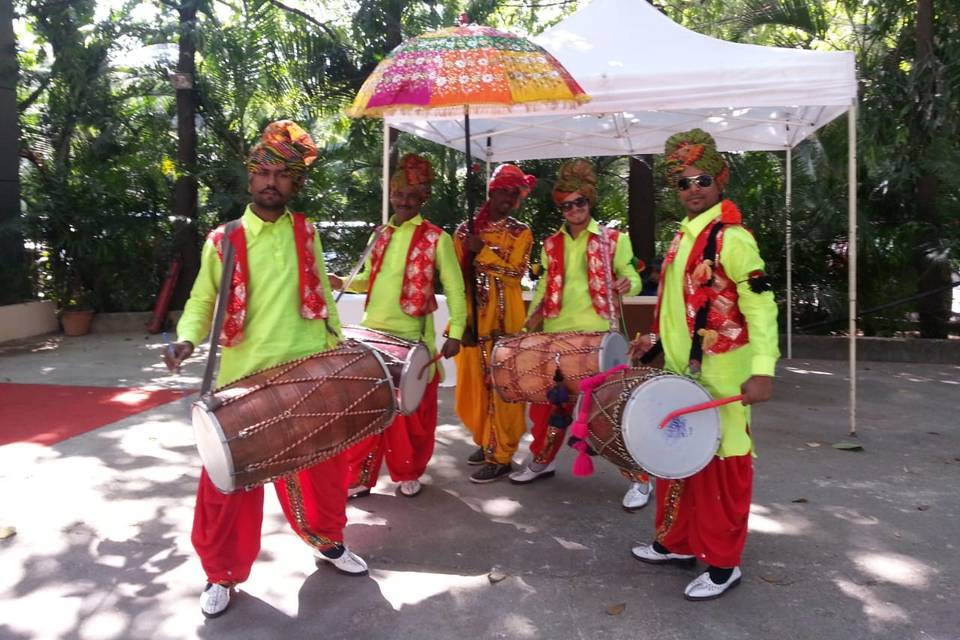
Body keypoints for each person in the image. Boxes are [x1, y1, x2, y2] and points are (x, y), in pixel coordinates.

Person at [163, 121, 367, 619]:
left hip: (306, 369)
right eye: (264, 172)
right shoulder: (225, 238)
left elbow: (322, 292)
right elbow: (201, 298)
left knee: (322, 469)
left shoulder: (307, 232)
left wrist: (337, 346)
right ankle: (221, 573)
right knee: (230, 482)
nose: (271, 182)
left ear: (295, 184)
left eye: (282, 174)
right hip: (242, 378)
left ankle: (327, 540)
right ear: (250, 179)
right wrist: (188, 338)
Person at [629, 129, 779, 601]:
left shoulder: (732, 239)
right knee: (679, 458)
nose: (693, 189)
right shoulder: (682, 237)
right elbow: (676, 307)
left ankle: (723, 563)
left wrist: (764, 370)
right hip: (680, 372)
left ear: (719, 182)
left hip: (723, 376)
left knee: (723, 464)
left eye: (702, 180)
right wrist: (654, 346)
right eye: (683, 182)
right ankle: (676, 543)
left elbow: (761, 306)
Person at [330, 153, 467, 499]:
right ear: (390, 195)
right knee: (367, 414)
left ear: (422, 198)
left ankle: (408, 472)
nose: (404, 201)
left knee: (410, 416)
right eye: (398, 194)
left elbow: (455, 288)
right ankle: (360, 477)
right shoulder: (381, 234)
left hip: (412, 339)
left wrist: (456, 331)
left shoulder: (437, 238)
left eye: (411, 195)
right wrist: (341, 280)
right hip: (372, 333)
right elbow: (368, 279)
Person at [512, 160, 644, 496]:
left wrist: (629, 282)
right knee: (548, 408)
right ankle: (543, 461)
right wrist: (528, 325)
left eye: (579, 202)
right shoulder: (551, 244)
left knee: (608, 412)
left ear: (589, 201)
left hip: (599, 339)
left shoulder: (614, 240)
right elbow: (543, 289)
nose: (573, 209)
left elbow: (634, 277)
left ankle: (639, 480)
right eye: (566, 205)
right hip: (556, 338)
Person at [453, 164, 536, 484]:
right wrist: (463, 325)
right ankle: (486, 439)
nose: (507, 198)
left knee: (503, 389)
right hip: (474, 323)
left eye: (513, 194)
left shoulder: (520, 232)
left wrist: (483, 252)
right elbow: (457, 279)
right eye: (503, 191)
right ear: (491, 191)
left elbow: (516, 274)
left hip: (505, 324)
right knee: (473, 387)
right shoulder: (464, 230)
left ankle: (501, 455)